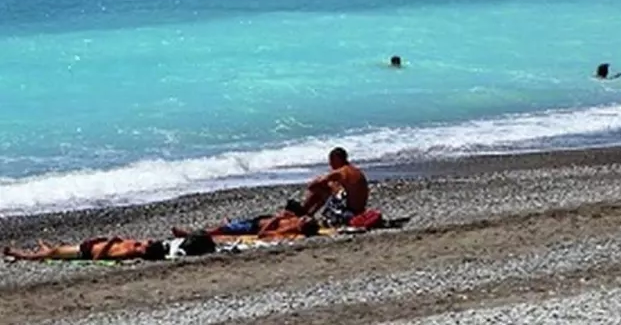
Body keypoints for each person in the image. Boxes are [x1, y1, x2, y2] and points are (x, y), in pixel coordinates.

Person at [299, 147, 369, 225]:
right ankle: (307, 214)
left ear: (337, 159)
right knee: (329, 189)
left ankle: (303, 213)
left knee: (321, 188)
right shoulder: (354, 170)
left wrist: (325, 184)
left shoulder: (341, 171)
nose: (330, 164)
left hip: (349, 214)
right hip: (359, 211)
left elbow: (312, 185)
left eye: (331, 160)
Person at [173, 210, 317, 240]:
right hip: (257, 221)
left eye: (305, 219)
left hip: (253, 228)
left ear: (302, 226)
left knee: (218, 231)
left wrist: (275, 219)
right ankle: (231, 224)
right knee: (232, 225)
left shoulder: (290, 230)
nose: (303, 217)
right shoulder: (296, 221)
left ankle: (188, 235)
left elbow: (262, 235)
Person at [5, 236, 167, 262]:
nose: (147, 240)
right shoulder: (136, 245)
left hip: (85, 252)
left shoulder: (128, 252)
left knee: (52, 253)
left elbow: (99, 258)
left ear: (146, 250)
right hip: (89, 245)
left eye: (149, 243)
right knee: (56, 249)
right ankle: (44, 247)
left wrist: (110, 242)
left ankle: (19, 255)